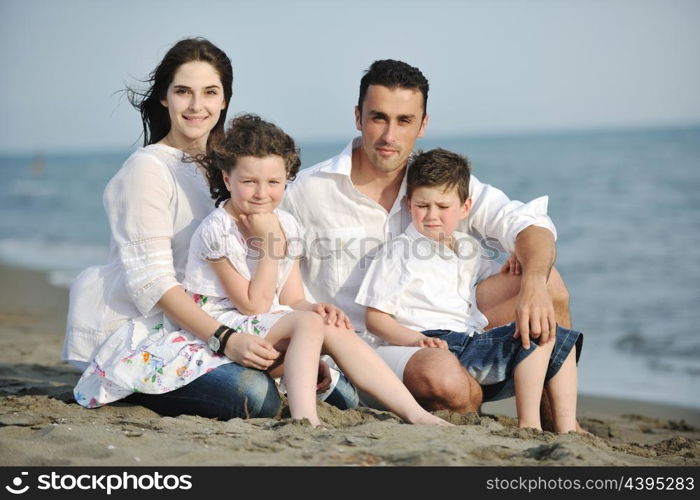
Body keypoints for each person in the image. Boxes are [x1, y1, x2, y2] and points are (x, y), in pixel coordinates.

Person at [73, 114, 449, 427]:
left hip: (266, 320)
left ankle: (413, 413)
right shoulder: (217, 231)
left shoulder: (287, 223)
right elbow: (252, 305)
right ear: (227, 180)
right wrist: (270, 248)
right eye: (249, 182)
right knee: (306, 327)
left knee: (323, 322)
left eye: (273, 182)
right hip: (223, 322)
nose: (261, 193)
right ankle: (306, 418)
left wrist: (314, 308)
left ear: (287, 180)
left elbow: (291, 298)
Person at [63, 38, 357, 420]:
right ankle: (134, 385)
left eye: (210, 92)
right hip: (162, 330)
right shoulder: (147, 170)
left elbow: (260, 272)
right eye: (183, 91)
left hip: (234, 316)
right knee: (256, 397)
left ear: (224, 100)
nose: (197, 105)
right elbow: (152, 284)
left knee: (344, 396)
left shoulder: (233, 170)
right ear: (164, 98)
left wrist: (296, 325)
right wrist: (225, 340)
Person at [281, 59, 574, 427]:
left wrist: (532, 281)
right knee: (443, 377)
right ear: (358, 117)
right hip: (368, 347)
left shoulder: (437, 182)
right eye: (378, 118)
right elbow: (275, 279)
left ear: (423, 125)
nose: (390, 136)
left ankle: (555, 428)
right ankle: (469, 395)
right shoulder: (308, 191)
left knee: (549, 284)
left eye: (404, 121)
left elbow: (528, 223)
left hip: (451, 327)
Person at [356, 148, 582, 432]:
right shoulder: (397, 252)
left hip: (471, 341)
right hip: (430, 341)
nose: (432, 216)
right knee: (531, 338)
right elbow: (375, 318)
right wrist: (414, 339)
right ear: (408, 203)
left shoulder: (468, 248)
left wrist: (517, 260)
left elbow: (492, 278)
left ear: (465, 207)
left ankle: (562, 425)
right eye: (422, 206)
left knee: (549, 334)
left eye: (442, 206)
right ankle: (530, 425)